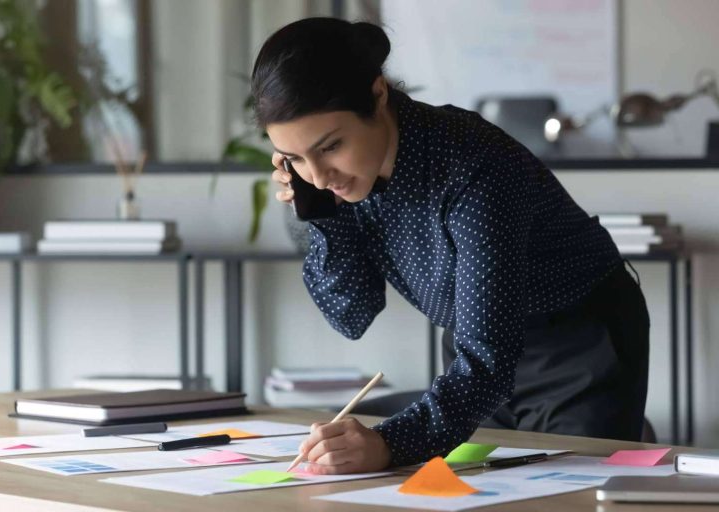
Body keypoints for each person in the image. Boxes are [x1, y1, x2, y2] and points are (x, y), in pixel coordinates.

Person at [251, 17, 650, 474]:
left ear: (378, 95)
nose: (320, 175)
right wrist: (319, 212)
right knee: (473, 495)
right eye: (296, 158)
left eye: (330, 146)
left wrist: (385, 444)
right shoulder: (332, 185)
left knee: (565, 495)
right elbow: (351, 314)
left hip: (577, 342)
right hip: (475, 353)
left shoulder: (475, 165)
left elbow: (488, 363)